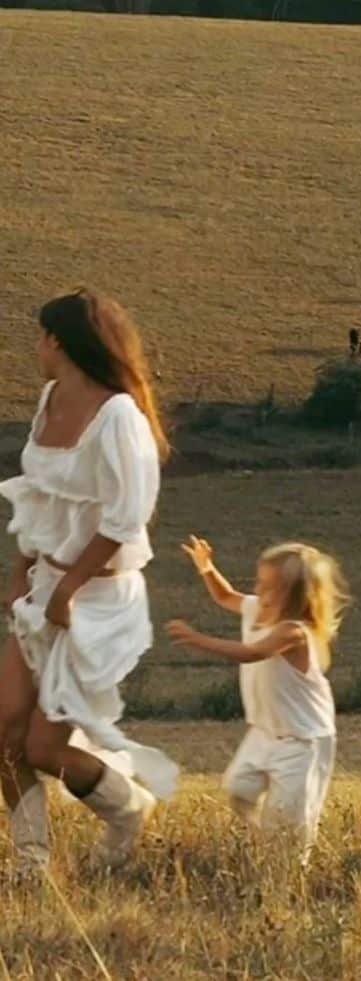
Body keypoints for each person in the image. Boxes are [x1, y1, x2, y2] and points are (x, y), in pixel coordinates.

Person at [0, 289, 179, 880]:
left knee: (43, 749)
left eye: (40, 337)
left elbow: (126, 517)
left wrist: (69, 588)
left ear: (57, 341)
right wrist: (22, 572)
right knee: (2, 732)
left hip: (96, 599)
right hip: (45, 584)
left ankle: (128, 810)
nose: (36, 348)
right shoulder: (50, 399)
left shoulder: (120, 416)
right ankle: (31, 864)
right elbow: (39, 494)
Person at [167, 537, 348, 860]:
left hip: (302, 740)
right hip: (263, 732)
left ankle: (288, 872)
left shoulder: (292, 632)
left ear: (295, 597)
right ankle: (264, 842)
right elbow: (224, 596)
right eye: (259, 582)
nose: (259, 592)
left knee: (290, 824)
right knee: (239, 790)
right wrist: (206, 567)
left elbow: (251, 653)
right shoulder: (254, 609)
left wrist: (197, 639)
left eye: (269, 587)